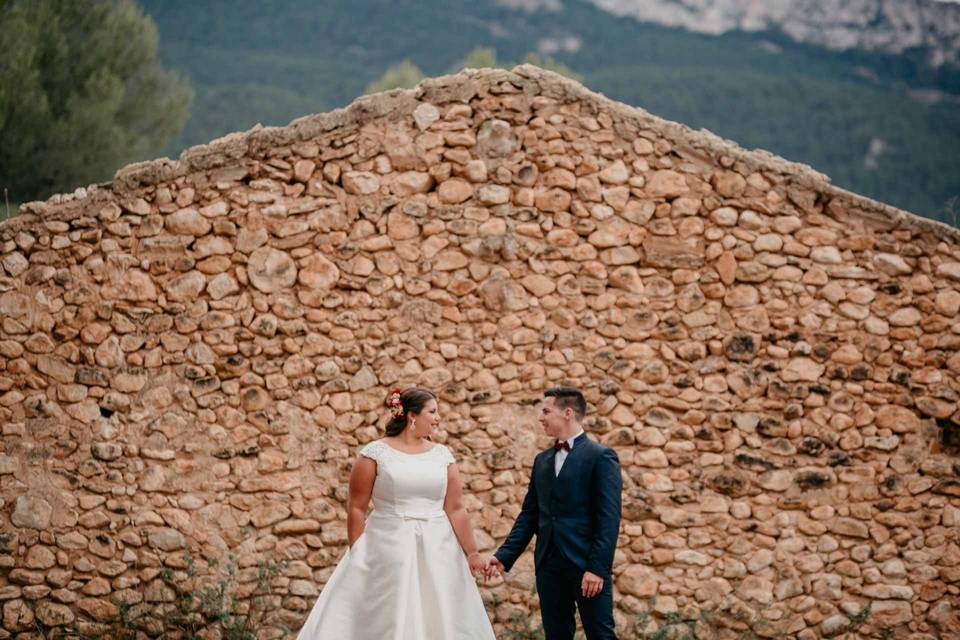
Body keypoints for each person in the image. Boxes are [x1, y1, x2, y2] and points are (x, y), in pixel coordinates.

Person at [296, 387, 497, 639]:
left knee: (442, 616)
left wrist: (473, 553)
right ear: (412, 415)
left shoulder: (442, 455)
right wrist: (357, 551)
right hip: (386, 547)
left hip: (439, 548)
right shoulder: (375, 453)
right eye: (432, 412)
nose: (438, 418)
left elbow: (456, 509)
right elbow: (357, 506)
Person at [486, 387, 622, 640]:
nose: (541, 417)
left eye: (546, 411)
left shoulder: (601, 456)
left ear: (568, 413)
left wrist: (597, 568)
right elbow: (530, 515)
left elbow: (609, 518)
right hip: (549, 563)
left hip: (586, 565)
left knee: (601, 635)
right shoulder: (542, 460)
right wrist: (504, 556)